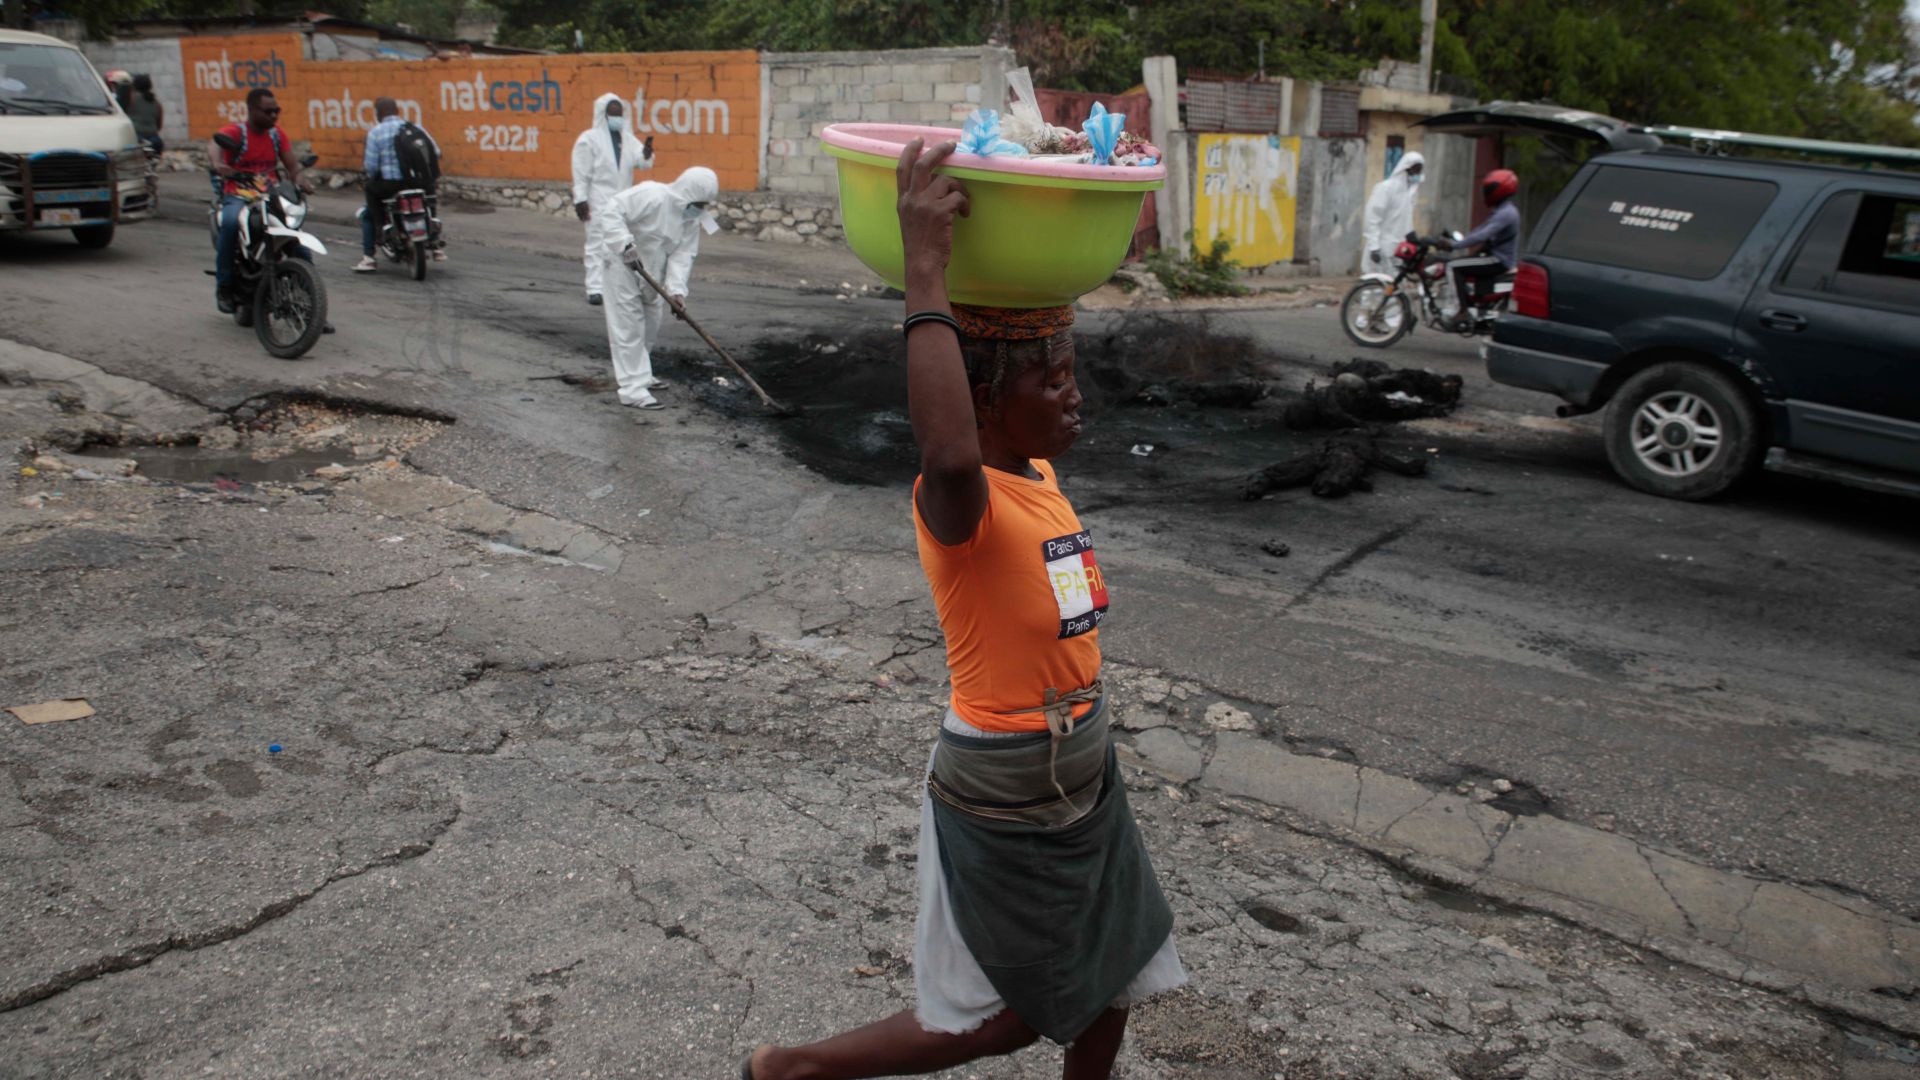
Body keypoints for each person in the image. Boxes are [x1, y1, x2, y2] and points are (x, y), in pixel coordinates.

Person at [740, 138, 1185, 1080]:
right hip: (1009, 782)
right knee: (1002, 1021)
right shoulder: (961, 503)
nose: (1076, 399)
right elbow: (944, 449)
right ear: (984, 406)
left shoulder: (1039, 476)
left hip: (1086, 761)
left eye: (1071, 374)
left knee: (1117, 975)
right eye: (1053, 380)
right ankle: (793, 1070)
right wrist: (926, 270)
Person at [597, 166, 716, 409]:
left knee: (651, 322)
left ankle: (642, 373)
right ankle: (632, 389)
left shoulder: (691, 219)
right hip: (622, 263)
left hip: (653, 271)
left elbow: (683, 256)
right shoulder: (652, 195)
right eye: (699, 203)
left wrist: (676, 291)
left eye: (705, 205)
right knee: (628, 325)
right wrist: (624, 245)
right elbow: (612, 210)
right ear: (688, 193)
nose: (701, 209)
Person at [208, 87, 312, 315]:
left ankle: (311, 303)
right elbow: (214, 144)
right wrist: (218, 164)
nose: (274, 116)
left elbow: (292, 166)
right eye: (268, 112)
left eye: (276, 111)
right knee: (231, 223)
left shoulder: (276, 135)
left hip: (270, 196)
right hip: (238, 194)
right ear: (252, 110)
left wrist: (300, 179)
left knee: (296, 239)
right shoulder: (237, 133)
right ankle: (224, 287)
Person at [572, 93, 654, 305]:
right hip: (598, 199)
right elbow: (581, 172)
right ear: (603, 114)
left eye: (620, 114)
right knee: (596, 243)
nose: (617, 118)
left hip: (622, 202)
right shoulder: (589, 139)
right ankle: (595, 287)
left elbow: (642, 162)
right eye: (613, 114)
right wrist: (580, 199)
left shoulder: (627, 138)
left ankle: (620, 284)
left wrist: (646, 153)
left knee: (623, 243)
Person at [353, 97, 443, 272]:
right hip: (418, 183)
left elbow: (371, 166)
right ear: (397, 111)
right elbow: (436, 152)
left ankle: (370, 254)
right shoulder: (414, 128)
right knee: (429, 200)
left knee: (370, 201)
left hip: (390, 186)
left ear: (379, 114)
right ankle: (436, 243)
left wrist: (372, 175)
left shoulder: (375, 132)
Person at [1437, 168, 1522, 329]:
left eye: (1488, 190)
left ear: (1499, 190)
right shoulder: (1502, 211)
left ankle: (1460, 311)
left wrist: (1454, 246)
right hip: (1494, 256)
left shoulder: (1506, 213)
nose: (1485, 193)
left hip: (1498, 260)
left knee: (1452, 266)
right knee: (1461, 264)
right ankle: (1467, 302)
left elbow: (1482, 235)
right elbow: (1480, 231)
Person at [1360, 150, 1425, 271]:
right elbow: (1372, 217)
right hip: (1382, 247)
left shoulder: (1410, 193)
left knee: (1396, 286)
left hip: (1400, 249)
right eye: (1416, 169)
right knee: (1375, 285)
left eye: (1419, 170)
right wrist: (1374, 246)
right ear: (1406, 168)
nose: (1418, 173)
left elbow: (1406, 222)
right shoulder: (1385, 188)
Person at [127, 73, 164, 153]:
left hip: (138, 139)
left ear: (134, 85)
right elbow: (159, 126)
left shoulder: (131, 99)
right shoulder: (157, 103)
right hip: (155, 141)